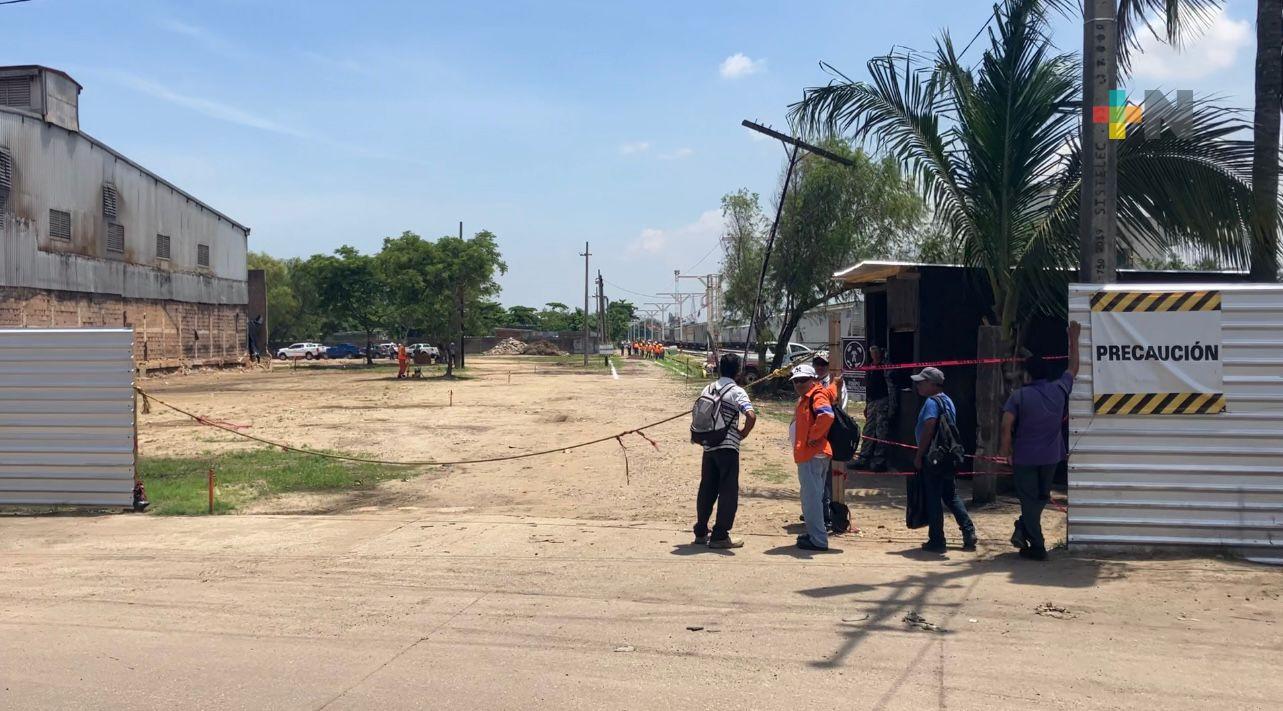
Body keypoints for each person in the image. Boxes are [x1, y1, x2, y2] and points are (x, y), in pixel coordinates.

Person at [1000, 321, 1081, 561]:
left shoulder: (1019, 396)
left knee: (1028, 500)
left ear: (1027, 375)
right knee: (1041, 497)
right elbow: (1073, 368)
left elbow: (1006, 424)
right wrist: (1074, 339)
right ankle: (1025, 528)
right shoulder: (1059, 389)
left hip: (1025, 457)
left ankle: (1037, 545)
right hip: (1051, 456)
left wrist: (1006, 451)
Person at [693, 353, 757, 549]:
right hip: (728, 447)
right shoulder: (737, 391)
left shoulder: (708, 388)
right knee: (728, 491)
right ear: (738, 372)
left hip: (708, 443)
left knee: (707, 488)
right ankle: (720, 535)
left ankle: (701, 531)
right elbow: (751, 415)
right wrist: (743, 433)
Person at [912, 367, 976, 554]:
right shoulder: (947, 401)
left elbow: (929, 427)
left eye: (922, 382)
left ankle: (937, 540)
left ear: (932, 384)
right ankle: (968, 532)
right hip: (947, 456)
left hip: (933, 457)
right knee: (951, 495)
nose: (918, 385)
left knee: (933, 498)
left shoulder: (932, 402)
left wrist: (919, 454)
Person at [790, 364, 835, 551]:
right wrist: (836, 383)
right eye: (796, 381)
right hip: (812, 455)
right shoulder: (812, 395)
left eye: (803, 380)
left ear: (813, 380)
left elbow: (826, 415)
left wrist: (813, 436)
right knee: (813, 497)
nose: (799, 384)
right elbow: (832, 393)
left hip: (812, 455)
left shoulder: (816, 395)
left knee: (811, 499)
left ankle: (818, 540)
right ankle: (815, 534)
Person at [811, 351, 847, 532]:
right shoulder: (812, 384)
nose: (819, 367)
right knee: (817, 479)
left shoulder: (835, 384)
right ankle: (818, 512)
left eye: (823, 364)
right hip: (816, 439)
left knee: (828, 480)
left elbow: (836, 409)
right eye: (816, 363)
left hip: (831, 436)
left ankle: (829, 516)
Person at [853, 346, 895, 471]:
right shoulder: (871, 366)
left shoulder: (885, 367)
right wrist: (867, 404)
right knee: (868, 431)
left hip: (883, 401)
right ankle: (863, 458)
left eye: (876, 352)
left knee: (881, 431)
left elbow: (891, 387)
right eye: (872, 352)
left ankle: (879, 460)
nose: (874, 355)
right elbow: (869, 387)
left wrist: (892, 405)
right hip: (872, 402)